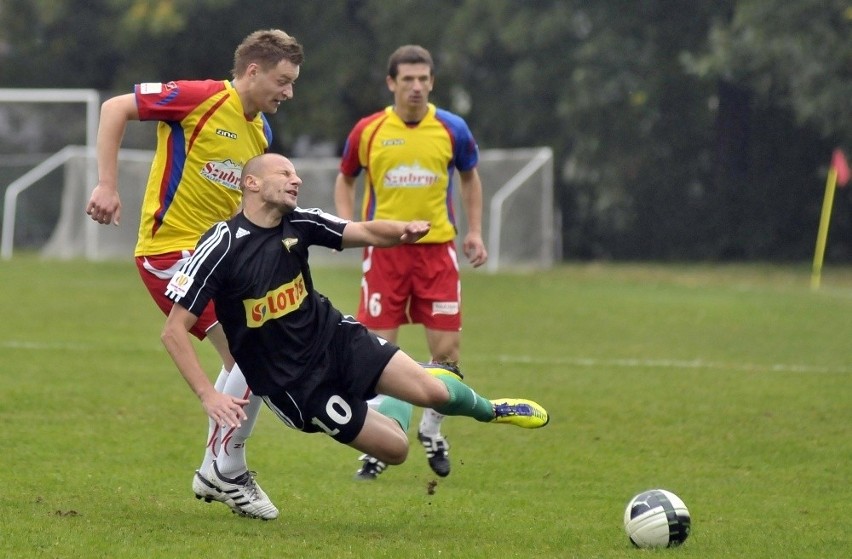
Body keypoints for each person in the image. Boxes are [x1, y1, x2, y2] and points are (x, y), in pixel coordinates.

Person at [160, 153, 548, 518]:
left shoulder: (300, 222)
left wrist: (402, 231)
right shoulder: (222, 244)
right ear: (252, 183)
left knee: (435, 394)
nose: (296, 179)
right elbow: (174, 330)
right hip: (295, 384)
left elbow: (360, 231)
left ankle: (492, 410)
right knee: (396, 449)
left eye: (296, 174)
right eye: (285, 173)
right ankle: (399, 386)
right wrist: (208, 394)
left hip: (336, 338)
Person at [84, 29, 305, 520]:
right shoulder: (201, 98)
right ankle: (224, 467)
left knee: (254, 357)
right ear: (253, 71)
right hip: (168, 252)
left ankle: (219, 466)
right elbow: (115, 107)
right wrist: (106, 184)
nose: (288, 93)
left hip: (216, 259)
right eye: (283, 80)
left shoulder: (261, 136)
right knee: (254, 354)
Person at [333, 45, 487, 480]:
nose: (416, 87)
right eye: (408, 80)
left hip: (437, 254)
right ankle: (381, 443)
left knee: (447, 357)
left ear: (432, 82)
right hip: (385, 254)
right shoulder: (369, 130)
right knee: (376, 355)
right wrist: (349, 226)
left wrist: (473, 231)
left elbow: (470, 177)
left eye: (423, 79)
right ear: (391, 83)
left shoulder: (452, 128)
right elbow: (344, 178)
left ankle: (432, 430)